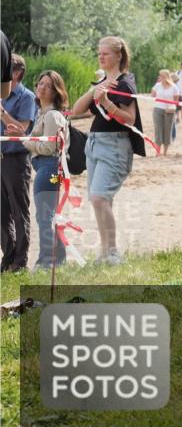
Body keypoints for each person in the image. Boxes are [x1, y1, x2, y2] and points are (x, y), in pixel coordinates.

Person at [69, 36, 144, 265]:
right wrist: (96, 90)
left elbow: (129, 118)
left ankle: (112, 253)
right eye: (99, 53)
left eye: (106, 53)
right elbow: (76, 110)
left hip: (115, 145)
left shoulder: (124, 83)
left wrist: (107, 102)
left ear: (119, 55)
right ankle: (105, 251)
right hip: (94, 144)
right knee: (100, 200)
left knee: (100, 197)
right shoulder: (102, 82)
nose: (101, 56)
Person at [24, 70, 69, 269]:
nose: (41, 87)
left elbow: (49, 148)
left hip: (49, 167)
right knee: (47, 215)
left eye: (48, 85)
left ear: (56, 91)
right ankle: (58, 259)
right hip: (44, 167)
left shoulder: (51, 115)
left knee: (44, 217)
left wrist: (27, 141)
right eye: (40, 83)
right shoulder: (41, 113)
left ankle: (46, 262)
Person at [1, 54, 37, 272]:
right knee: (1, 213)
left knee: (18, 210)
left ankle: (20, 261)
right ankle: (9, 255)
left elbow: (22, 129)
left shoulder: (26, 97)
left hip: (16, 160)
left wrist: (3, 114)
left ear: (16, 73)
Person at [151, 70, 180, 156]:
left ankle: (165, 152)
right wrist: (154, 91)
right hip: (158, 109)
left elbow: (176, 101)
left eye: (160, 76)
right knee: (158, 130)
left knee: (168, 130)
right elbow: (152, 95)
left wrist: (172, 108)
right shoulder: (157, 85)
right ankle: (157, 151)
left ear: (165, 77)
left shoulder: (174, 87)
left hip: (169, 111)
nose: (159, 77)